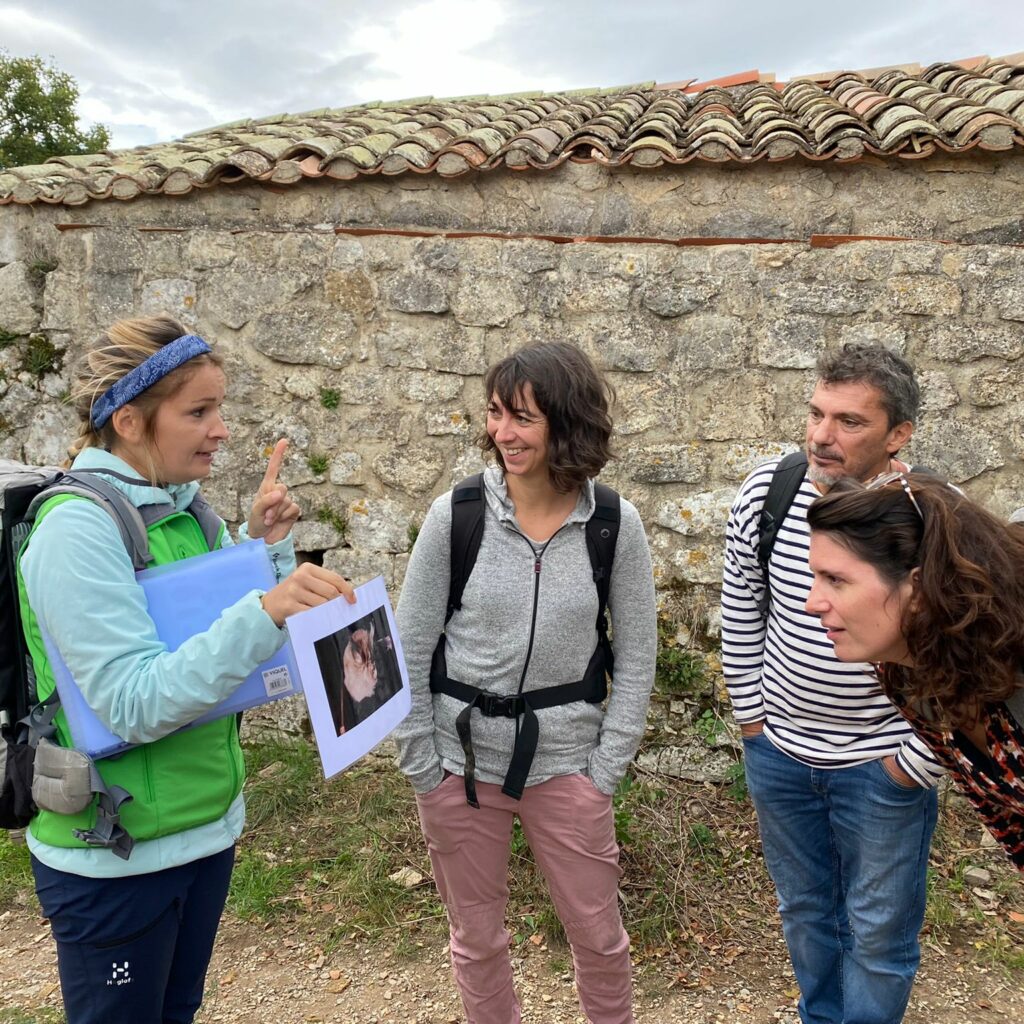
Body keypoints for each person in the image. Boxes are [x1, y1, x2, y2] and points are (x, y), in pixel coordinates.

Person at [18, 315, 355, 1024]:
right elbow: (132, 704)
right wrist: (263, 609)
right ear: (131, 421)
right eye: (199, 411)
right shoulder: (77, 532)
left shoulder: (185, 514)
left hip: (202, 835)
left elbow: (190, 629)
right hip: (116, 860)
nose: (222, 429)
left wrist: (258, 548)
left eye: (219, 408)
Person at [394, 341, 657, 1024]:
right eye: (495, 415)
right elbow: (410, 646)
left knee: (600, 940)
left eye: (523, 419)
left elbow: (637, 657)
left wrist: (606, 768)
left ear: (567, 424)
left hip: (569, 765)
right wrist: (423, 765)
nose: (503, 434)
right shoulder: (457, 516)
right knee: (477, 940)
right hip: (459, 764)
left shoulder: (611, 525)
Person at [721, 343, 943, 1024]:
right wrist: (755, 723)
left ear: (898, 434)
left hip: (884, 765)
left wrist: (912, 764)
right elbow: (741, 606)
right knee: (807, 913)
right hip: (781, 755)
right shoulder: (769, 492)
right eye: (817, 413)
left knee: (878, 934)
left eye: (849, 421)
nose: (822, 435)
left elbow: (957, 654)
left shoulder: (931, 516)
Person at [806, 472, 1024, 871]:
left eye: (835, 580)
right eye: (815, 577)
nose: (811, 603)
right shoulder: (907, 676)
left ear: (920, 590)